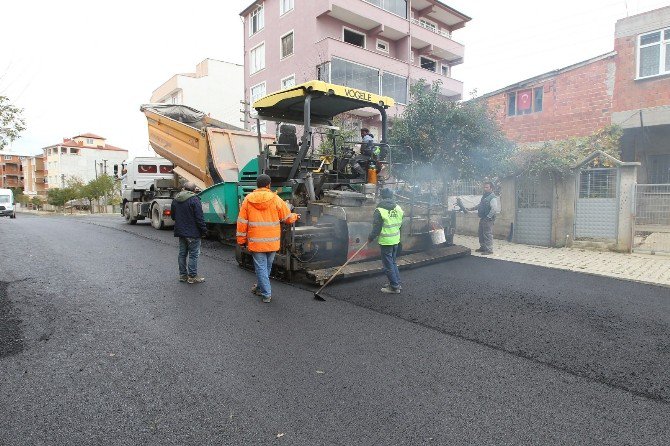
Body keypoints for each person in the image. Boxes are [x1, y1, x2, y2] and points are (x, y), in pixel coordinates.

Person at [237, 174, 298, 303]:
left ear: (257, 185)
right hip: (272, 241)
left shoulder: (248, 199)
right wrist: (295, 216)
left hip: (256, 242)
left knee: (262, 268)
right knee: (266, 267)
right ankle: (262, 290)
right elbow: (287, 217)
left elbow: (242, 222)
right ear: (269, 185)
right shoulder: (275, 199)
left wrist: (241, 241)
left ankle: (265, 293)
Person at [368, 188, 404, 294]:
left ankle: (394, 287)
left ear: (381, 197)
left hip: (386, 242)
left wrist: (371, 237)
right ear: (392, 196)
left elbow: (376, 227)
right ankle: (397, 283)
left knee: (388, 265)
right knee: (393, 262)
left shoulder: (379, 210)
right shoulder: (398, 208)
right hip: (395, 240)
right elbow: (401, 223)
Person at [171, 182, 207, 284]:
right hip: (193, 232)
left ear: (183, 188)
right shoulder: (194, 199)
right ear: (194, 190)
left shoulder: (176, 199)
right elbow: (199, 218)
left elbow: (173, 216)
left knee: (182, 254)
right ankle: (192, 276)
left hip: (181, 232)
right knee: (193, 255)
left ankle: (182, 276)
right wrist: (204, 230)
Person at [466, 181, 500, 255]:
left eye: (487, 187)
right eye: (484, 187)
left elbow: (494, 209)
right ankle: (483, 247)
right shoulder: (485, 196)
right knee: (481, 233)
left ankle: (489, 250)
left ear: (491, 188)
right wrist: (472, 208)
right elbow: (480, 205)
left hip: (488, 219)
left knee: (487, 234)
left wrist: (488, 217)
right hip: (483, 218)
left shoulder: (492, 197)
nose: (485, 188)